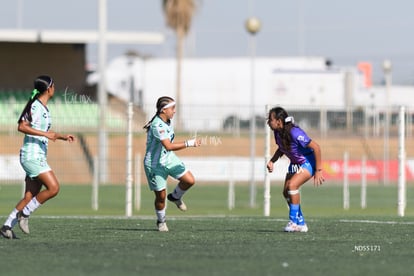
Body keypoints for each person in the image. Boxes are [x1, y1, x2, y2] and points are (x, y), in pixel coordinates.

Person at [0, 75, 75, 239]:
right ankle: (24, 214)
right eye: (54, 85)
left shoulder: (43, 108)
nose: (55, 87)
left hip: (37, 154)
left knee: (29, 196)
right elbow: (22, 126)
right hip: (31, 155)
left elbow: (47, 133)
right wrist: (45, 134)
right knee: (54, 188)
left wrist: (62, 136)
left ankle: (6, 226)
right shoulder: (35, 106)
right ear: (49, 88)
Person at [143, 96, 201, 232]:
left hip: (169, 159)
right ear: (163, 110)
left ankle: (175, 196)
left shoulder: (168, 120)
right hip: (154, 165)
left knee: (189, 180)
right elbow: (168, 146)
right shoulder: (157, 125)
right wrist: (189, 143)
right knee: (161, 196)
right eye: (172, 108)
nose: (174, 111)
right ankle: (161, 221)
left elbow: (167, 149)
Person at [266, 106, 324, 232]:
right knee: (286, 192)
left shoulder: (295, 132)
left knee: (292, 186)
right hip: (295, 163)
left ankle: (293, 222)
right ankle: (301, 223)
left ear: (278, 121)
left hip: (308, 162)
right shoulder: (277, 133)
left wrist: (319, 170)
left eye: (270, 119)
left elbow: (316, 147)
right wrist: (272, 161)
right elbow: (282, 148)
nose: (268, 122)